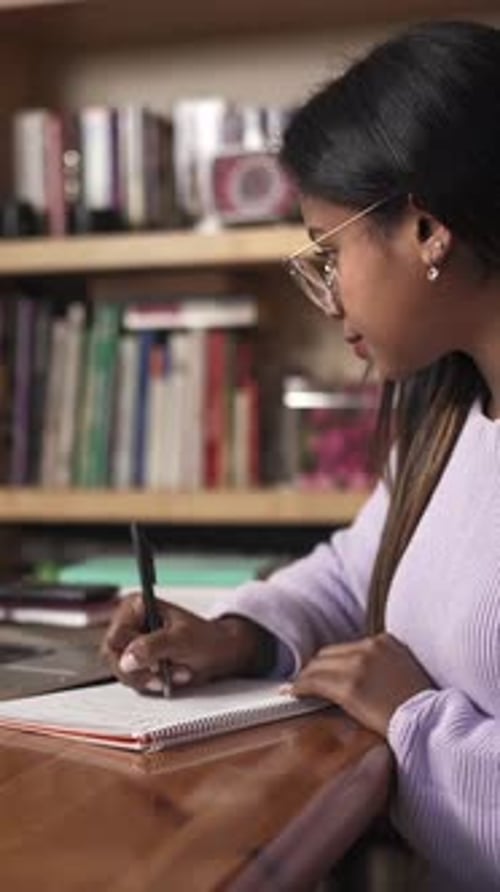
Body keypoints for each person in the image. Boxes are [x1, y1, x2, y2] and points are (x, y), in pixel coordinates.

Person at [103, 20, 500, 891]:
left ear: (428, 228)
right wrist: (238, 637)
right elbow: (352, 571)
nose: (325, 296)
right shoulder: (456, 416)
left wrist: (414, 720)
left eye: (329, 253)